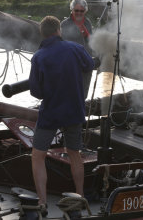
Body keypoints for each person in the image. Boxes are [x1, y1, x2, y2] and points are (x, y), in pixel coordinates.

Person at [29, 16, 95, 210]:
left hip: (51, 111)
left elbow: (36, 91)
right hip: (74, 109)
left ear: (43, 33)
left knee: (38, 155)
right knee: (74, 153)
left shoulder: (39, 57)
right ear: (59, 31)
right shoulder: (75, 49)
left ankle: (42, 202)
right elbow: (89, 65)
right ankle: (80, 196)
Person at [61, 0, 93, 97]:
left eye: (82, 11)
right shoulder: (64, 24)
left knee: (83, 95)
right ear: (72, 10)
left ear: (85, 11)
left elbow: (91, 42)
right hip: (70, 65)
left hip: (85, 64)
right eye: (76, 10)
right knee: (69, 94)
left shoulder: (87, 23)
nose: (79, 13)